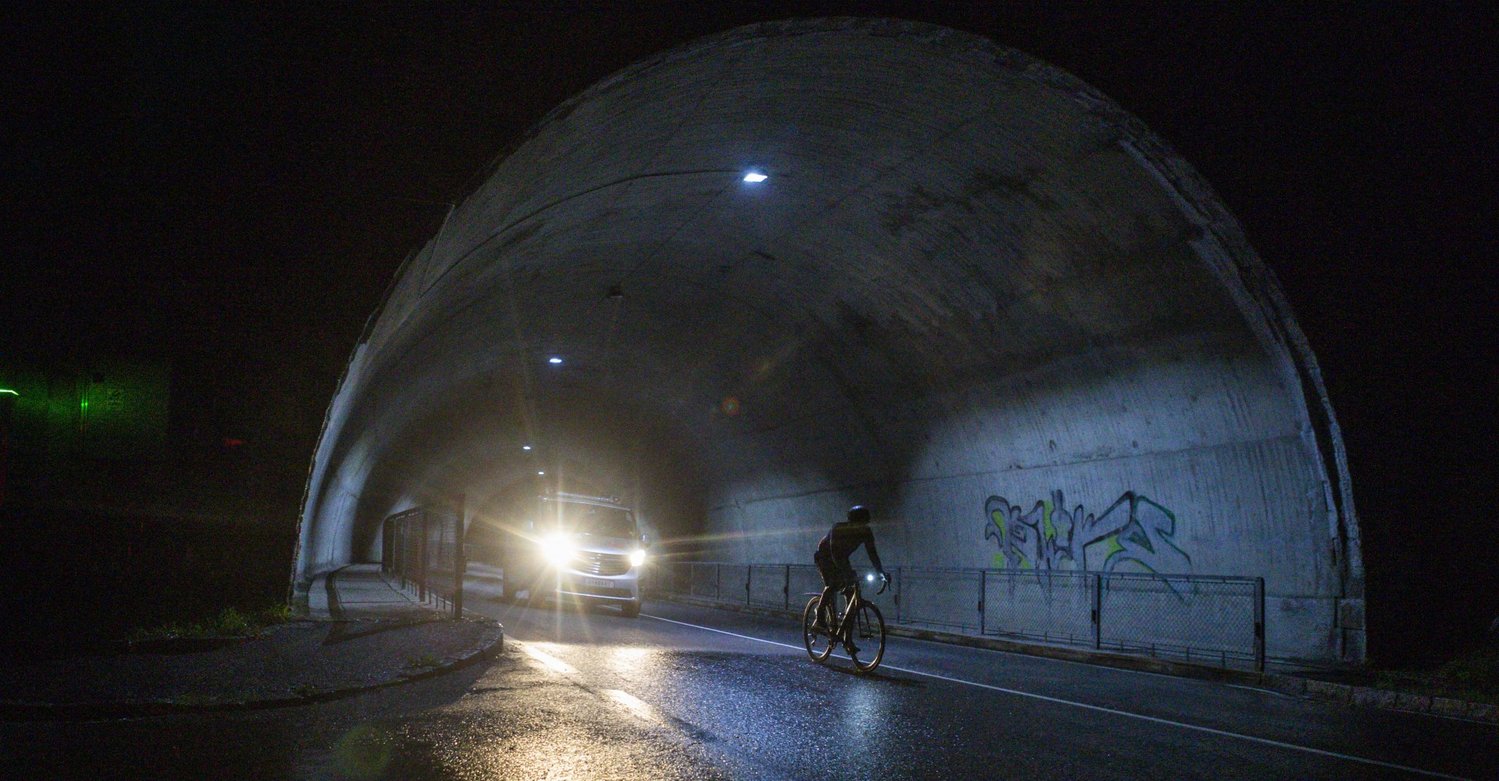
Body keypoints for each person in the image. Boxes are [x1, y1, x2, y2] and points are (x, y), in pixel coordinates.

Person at [814, 505, 887, 653]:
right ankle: (819, 614)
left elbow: (872, 554)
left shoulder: (866, 532)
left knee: (851, 599)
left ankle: (847, 640)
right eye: (858, 523)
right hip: (825, 557)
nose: (861, 527)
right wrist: (845, 574)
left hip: (842, 558)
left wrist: (881, 572)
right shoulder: (838, 529)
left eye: (864, 523)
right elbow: (834, 553)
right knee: (833, 583)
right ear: (850, 522)